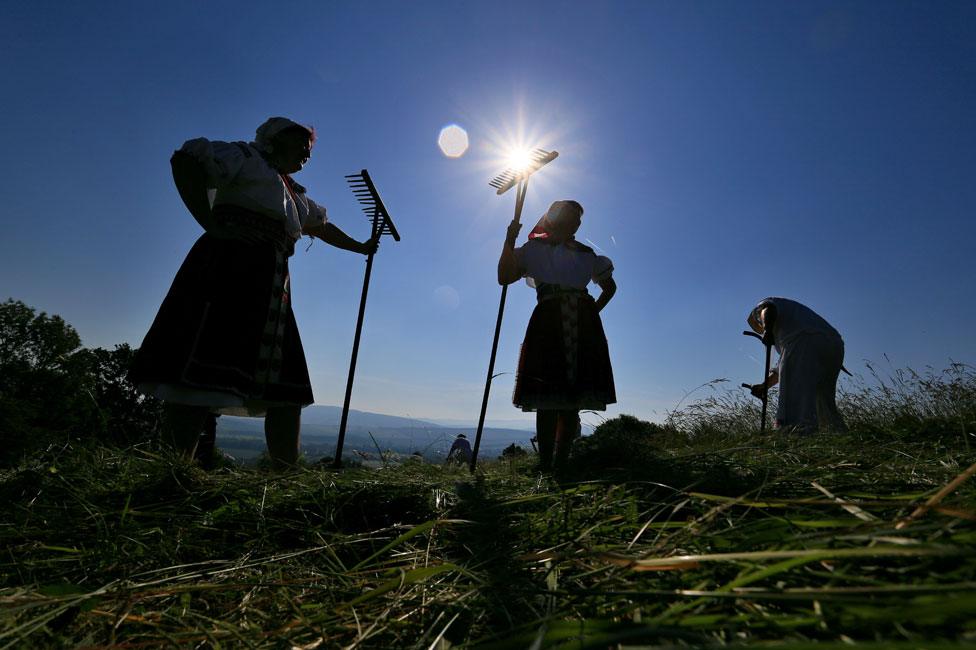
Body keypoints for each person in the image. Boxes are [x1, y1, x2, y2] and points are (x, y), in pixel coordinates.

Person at [130, 117, 378, 469]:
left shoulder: (293, 192)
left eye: (309, 152)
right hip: (225, 270)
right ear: (274, 140)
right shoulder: (242, 157)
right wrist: (211, 224)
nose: (306, 155)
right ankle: (171, 473)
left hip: (273, 288)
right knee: (198, 378)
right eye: (300, 147)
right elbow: (185, 160)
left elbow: (322, 228)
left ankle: (284, 481)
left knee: (286, 388)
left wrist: (361, 247)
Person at [498, 200, 617, 471]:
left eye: (577, 219)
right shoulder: (532, 250)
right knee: (546, 393)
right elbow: (504, 277)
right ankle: (545, 466)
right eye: (569, 216)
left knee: (570, 398)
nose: (574, 222)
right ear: (553, 218)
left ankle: (561, 463)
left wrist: (591, 313)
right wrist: (508, 240)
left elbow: (609, 288)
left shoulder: (588, 255)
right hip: (548, 319)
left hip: (581, 322)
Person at [747, 297, 847, 434]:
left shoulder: (766, 310)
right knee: (823, 399)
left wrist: (767, 330)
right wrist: (765, 386)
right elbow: (784, 369)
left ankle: (795, 437)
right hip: (834, 344)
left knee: (794, 400)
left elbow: (767, 308)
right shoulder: (793, 321)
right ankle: (836, 434)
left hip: (806, 339)